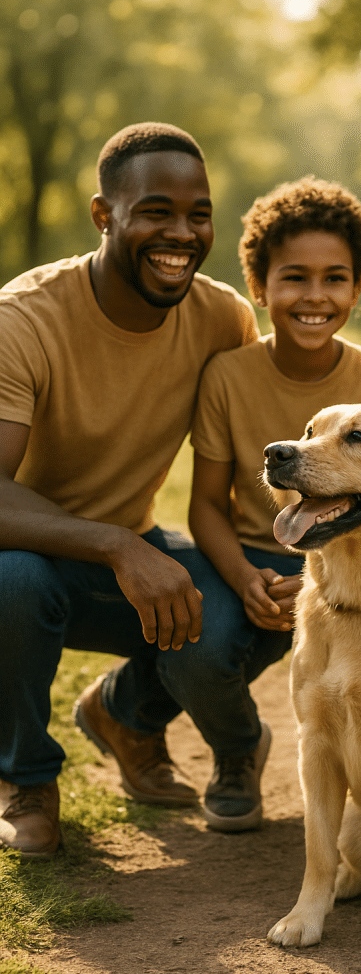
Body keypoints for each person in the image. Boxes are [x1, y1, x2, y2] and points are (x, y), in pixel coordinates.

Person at [0, 122, 260, 858]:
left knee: (258, 588)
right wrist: (114, 545)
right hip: (35, 556)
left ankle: (126, 717)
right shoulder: (23, 320)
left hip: (131, 554)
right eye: (155, 211)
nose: (180, 233)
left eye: (197, 213)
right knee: (10, 582)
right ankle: (25, 779)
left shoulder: (222, 317)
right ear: (103, 215)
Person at [188, 176, 361, 831]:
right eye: (294, 278)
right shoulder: (228, 375)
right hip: (242, 557)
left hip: (333, 561)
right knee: (199, 645)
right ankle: (237, 752)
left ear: (356, 288)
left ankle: (122, 710)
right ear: (261, 288)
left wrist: (312, 578)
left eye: (335, 278)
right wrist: (242, 579)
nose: (315, 296)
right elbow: (205, 506)